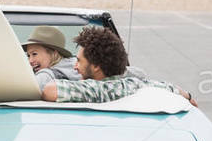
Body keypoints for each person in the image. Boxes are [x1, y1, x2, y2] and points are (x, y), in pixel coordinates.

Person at [41, 26, 196, 105]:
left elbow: (49, 90)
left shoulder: (99, 90)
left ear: (96, 66)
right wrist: (188, 96)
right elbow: (180, 93)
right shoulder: (142, 86)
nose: (75, 67)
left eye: (79, 61)